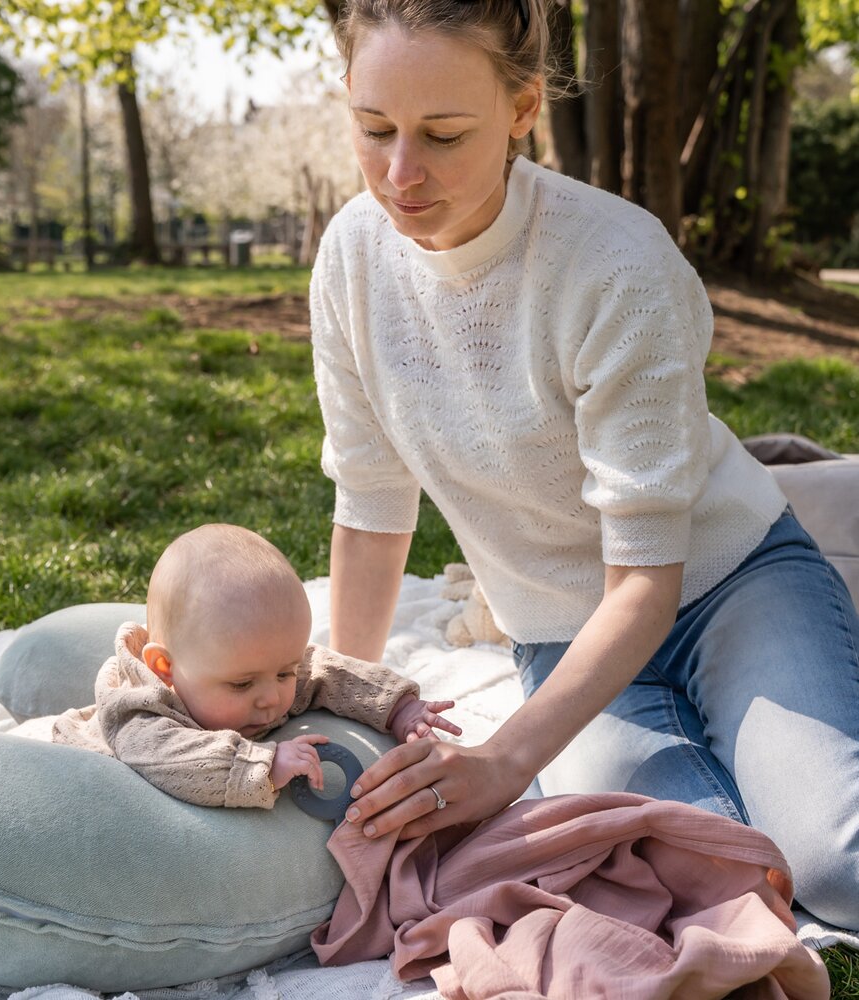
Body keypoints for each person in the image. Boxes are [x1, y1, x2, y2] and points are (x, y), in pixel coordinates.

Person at [310, 0, 859, 929]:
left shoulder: (614, 260)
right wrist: (345, 710)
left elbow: (647, 579)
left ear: (524, 107)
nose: (401, 174)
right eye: (374, 129)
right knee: (692, 876)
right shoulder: (350, 261)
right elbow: (370, 509)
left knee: (835, 866)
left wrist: (506, 761)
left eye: (444, 134)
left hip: (729, 584)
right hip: (563, 636)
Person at [48, 524, 461, 807]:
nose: (271, 699)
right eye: (242, 685)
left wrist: (398, 707)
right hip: (82, 779)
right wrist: (263, 764)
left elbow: (325, 670)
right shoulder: (138, 716)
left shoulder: (256, 667)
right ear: (165, 668)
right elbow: (174, 761)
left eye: (283, 672)